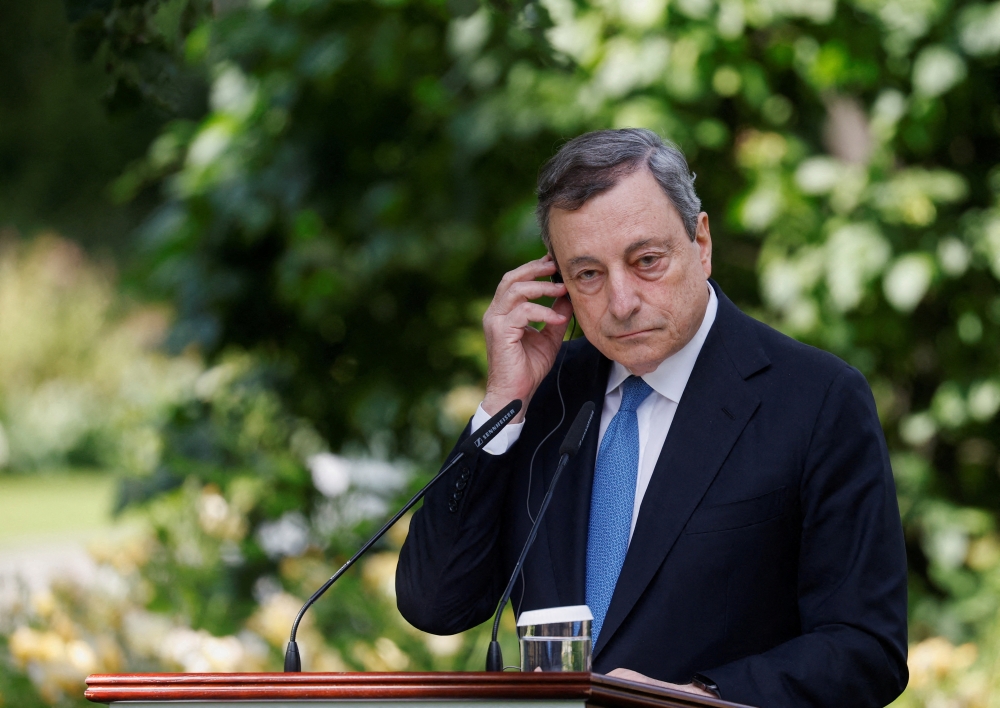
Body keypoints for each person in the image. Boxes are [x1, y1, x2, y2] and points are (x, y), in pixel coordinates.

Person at [396, 128, 908, 707]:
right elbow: (436, 604)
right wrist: (502, 403)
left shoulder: (816, 398)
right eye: (588, 274)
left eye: (646, 261)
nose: (621, 302)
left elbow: (866, 647)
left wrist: (695, 698)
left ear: (701, 241)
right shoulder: (543, 397)